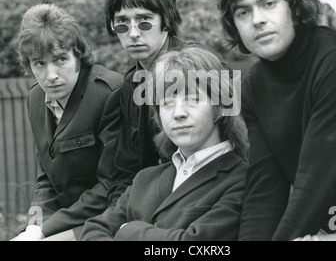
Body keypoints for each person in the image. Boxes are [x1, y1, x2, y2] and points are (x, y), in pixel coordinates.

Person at [217, 0, 336, 241]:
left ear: (293, 5)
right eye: (243, 12)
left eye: (268, 3)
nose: (258, 20)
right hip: (328, 225)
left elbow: (316, 179)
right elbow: (264, 189)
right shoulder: (253, 85)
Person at [79, 46, 249, 241]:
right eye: (167, 103)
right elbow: (94, 229)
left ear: (219, 106)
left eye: (192, 99)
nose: (178, 113)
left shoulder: (243, 180)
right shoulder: (145, 179)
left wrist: (128, 231)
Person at [80, 0, 185, 221]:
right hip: (142, 212)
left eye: (144, 21)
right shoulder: (131, 85)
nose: (134, 33)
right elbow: (125, 173)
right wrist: (117, 222)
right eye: (122, 24)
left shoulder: (202, 71)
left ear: (166, 20)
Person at [12, 3, 123, 241]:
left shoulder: (109, 93)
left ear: (78, 55)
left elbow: (111, 185)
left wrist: (45, 231)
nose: (50, 75)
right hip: (61, 222)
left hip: (107, 220)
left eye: (60, 59)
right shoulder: (35, 98)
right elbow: (47, 179)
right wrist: (33, 227)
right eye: (39, 63)